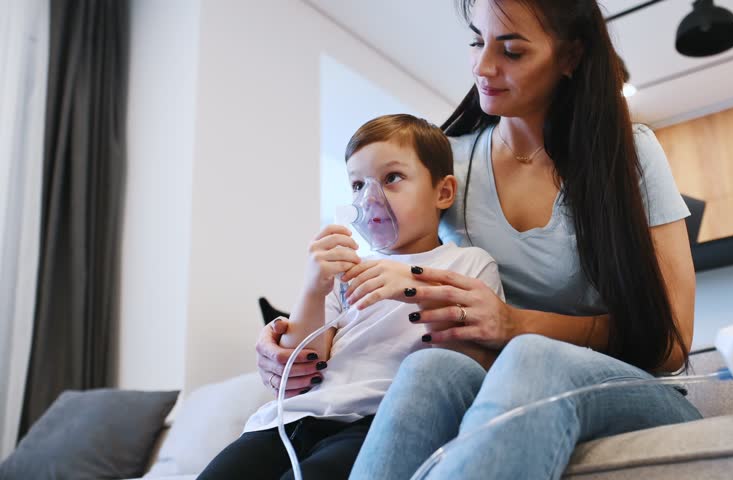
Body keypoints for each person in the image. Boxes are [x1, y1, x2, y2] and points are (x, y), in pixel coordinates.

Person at [257, 0, 702, 478]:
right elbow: (390, 280)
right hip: (496, 381)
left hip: (625, 386)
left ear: (571, 57)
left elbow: (670, 343)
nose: (482, 66)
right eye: (476, 40)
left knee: (534, 357)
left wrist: (516, 324)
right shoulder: (447, 164)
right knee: (429, 369)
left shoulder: (629, 154)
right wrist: (291, 344)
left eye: (512, 51)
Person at [199, 114, 503, 480]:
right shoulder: (346, 274)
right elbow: (302, 364)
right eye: (358, 185)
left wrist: (410, 282)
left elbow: (469, 362)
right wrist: (314, 286)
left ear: (443, 192)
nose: (370, 199)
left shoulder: (468, 262)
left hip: (377, 419)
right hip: (293, 420)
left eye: (392, 178)